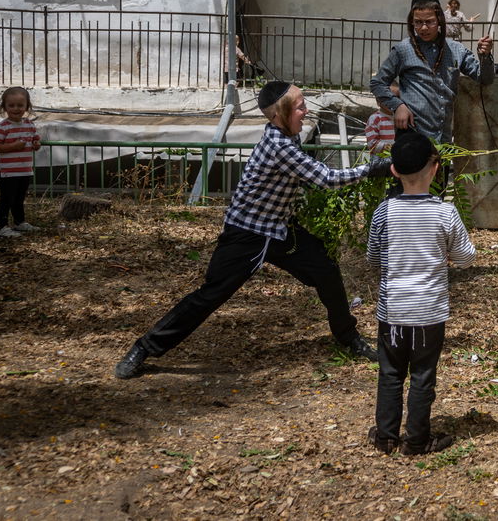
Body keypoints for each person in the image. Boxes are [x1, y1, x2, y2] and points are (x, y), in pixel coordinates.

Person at [114, 81, 391, 380]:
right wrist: (371, 168)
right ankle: (143, 348)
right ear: (278, 115)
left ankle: (348, 338)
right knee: (211, 295)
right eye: (299, 106)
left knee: (326, 268)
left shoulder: (289, 135)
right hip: (247, 233)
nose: (305, 110)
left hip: (280, 229)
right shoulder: (279, 145)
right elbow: (324, 178)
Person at [365, 132, 476, 456]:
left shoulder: (383, 212)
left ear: (394, 171)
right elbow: (467, 258)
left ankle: (386, 437)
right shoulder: (445, 213)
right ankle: (416, 440)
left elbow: (373, 257)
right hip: (429, 313)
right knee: (423, 376)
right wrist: (447, 256)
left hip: (393, 313)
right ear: (436, 169)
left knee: (390, 373)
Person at [371, 0, 494, 144]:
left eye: (429, 22)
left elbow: (485, 78)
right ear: (412, 22)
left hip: (443, 139)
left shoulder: (457, 50)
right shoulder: (403, 50)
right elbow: (377, 83)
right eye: (418, 22)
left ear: (440, 21)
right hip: (411, 137)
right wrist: (398, 106)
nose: (423, 28)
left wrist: (485, 55)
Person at [0, 86, 41, 238]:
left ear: (27, 106)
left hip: (25, 169)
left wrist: (37, 145)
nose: (16, 109)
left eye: (20, 105)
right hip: (8, 172)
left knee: (19, 198)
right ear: (4, 107)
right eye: (11, 105)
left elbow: (35, 141)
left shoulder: (30, 125)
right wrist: (13, 146)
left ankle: (20, 222)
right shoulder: (2, 127)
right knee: (6, 199)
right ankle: (2, 226)